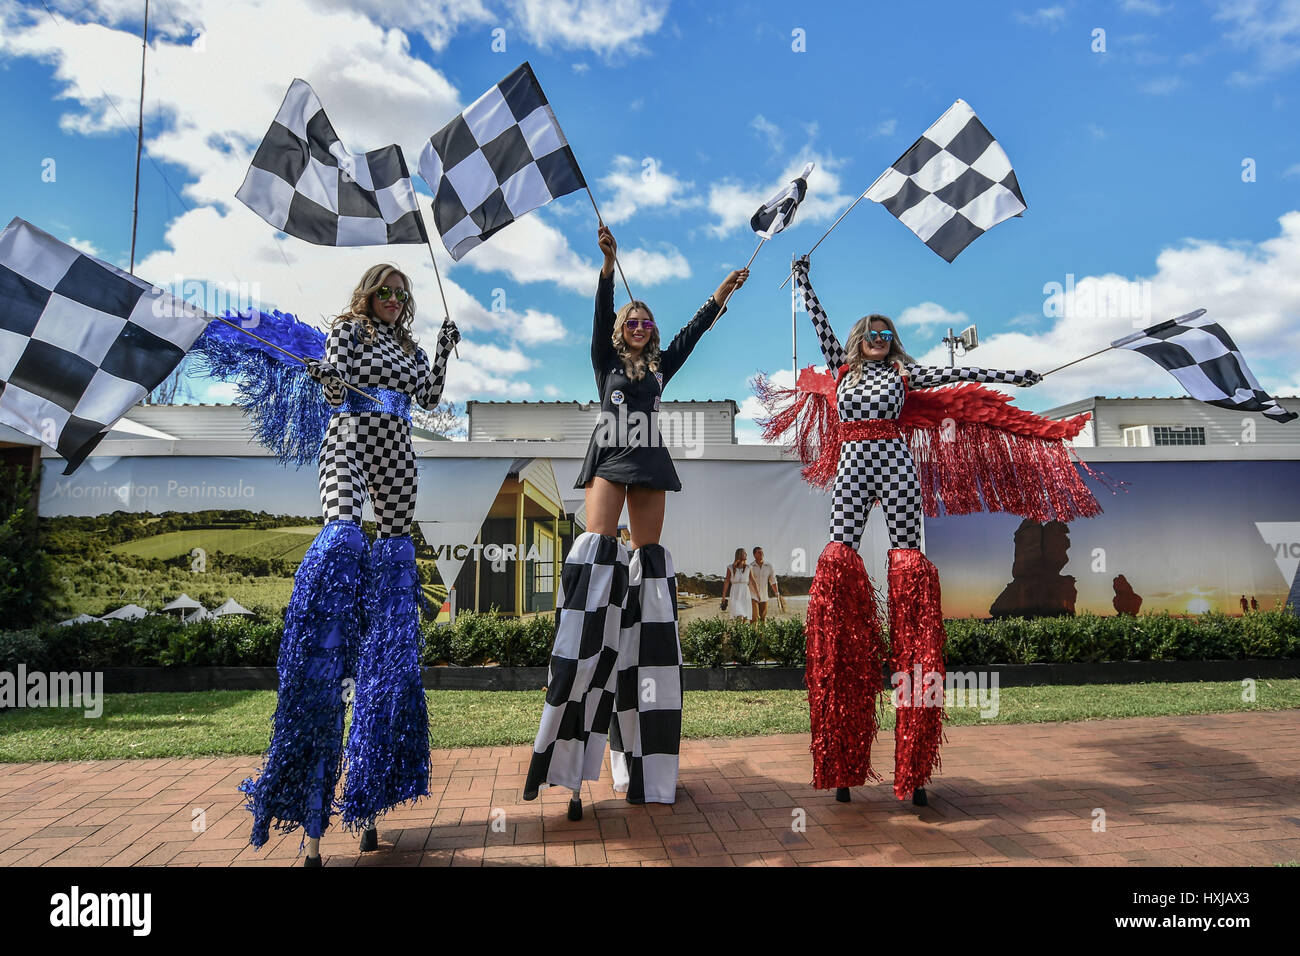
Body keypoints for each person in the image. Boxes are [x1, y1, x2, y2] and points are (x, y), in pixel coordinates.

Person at [791, 254, 1041, 808]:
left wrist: (1016, 375)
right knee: (836, 564)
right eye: (870, 332)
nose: (878, 338)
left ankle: (915, 760)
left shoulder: (906, 374)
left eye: (886, 332)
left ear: (893, 339)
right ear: (858, 340)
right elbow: (820, 324)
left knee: (909, 570)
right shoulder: (842, 369)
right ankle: (841, 753)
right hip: (853, 466)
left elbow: (961, 376)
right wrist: (804, 279)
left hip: (898, 467)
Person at [523, 224, 748, 819]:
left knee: (649, 574)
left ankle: (645, 746)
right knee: (596, 559)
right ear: (622, 328)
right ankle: (573, 731)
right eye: (633, 319)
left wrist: (720, 295)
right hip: (608, 463)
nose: (640, 326)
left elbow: (695, 334)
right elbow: (599, 317)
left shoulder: (660, 369)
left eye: (647, 320)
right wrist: (608, 263)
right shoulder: (605, 363)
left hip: (649, 467)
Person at [239, 264, 459, 866]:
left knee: (393, 575)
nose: (392, 299)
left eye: (400, 293)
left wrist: (442, 350)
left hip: (397, 453)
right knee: (340, 540)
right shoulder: (349, 333)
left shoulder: (409, 347)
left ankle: (373, 786)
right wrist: (329, 384)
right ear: (367, 296)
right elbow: (334, 390)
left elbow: (432, 397)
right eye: (382, 291)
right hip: (348, 442)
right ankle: (317, 643)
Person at [750, 546, 780, 623]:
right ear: (754, 555)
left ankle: (762, 635)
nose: (762, 554)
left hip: (764, 596)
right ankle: (753, 634)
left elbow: (773, 580)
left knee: (763, 618)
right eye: (759, 552)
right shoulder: (750, 567)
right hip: (753, 596)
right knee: (754, 617)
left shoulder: (769, 566)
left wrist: (776, 592)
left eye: (762, 552)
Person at [724, 548, 756, 619]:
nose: (746, 554)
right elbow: (726, 582)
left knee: (744, 615)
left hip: (745, 592)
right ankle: (738, 628)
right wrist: (723, 597)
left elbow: (753, 581)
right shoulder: (730, 568)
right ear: (739, 555)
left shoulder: (748, 567)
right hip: (735, 592)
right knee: (738, 614)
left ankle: (739, 629)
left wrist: (758, 594)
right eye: (744, 553)